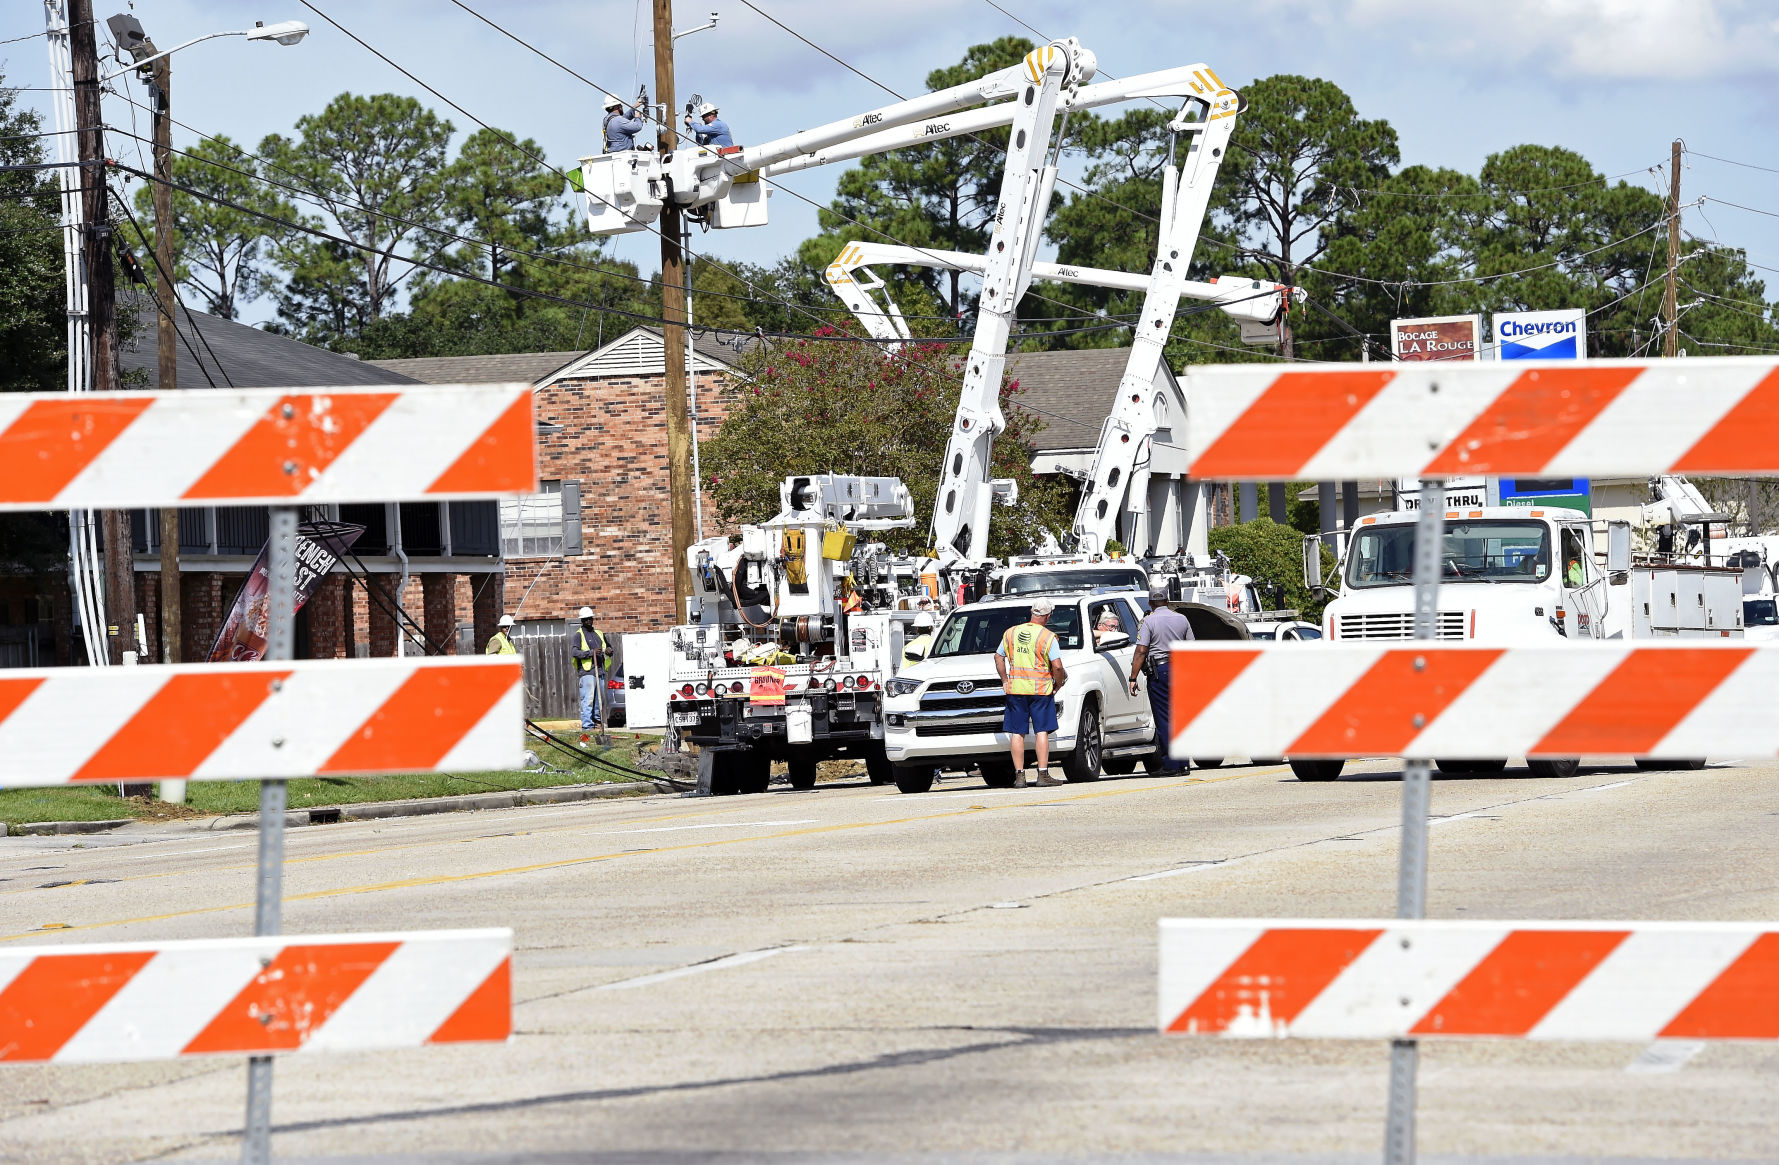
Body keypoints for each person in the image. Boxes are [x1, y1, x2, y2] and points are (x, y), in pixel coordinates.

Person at [994, 599, 1067, 787]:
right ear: (1048, 616)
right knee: (1041, 731)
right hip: (1040, 691)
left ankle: (1019, 776)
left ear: (1031, 612)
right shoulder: (1048, 637)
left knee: (1017, 733)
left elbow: (998, 656)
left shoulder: (1011, 632)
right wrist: (1057, 684)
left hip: (1016, 689)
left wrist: (1004, 680)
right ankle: (1042, 775)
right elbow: (1057, 666)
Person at [1130, 585, 1194, 773]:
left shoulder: (1148, 622)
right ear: (1167, 601)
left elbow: (1141, 650)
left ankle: (1171, 765)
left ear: (1150, 602)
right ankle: (1183, 764)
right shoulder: (1182, 619)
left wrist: (1133, 677)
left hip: (1161, 671)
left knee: (1165, 719)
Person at [571, 606, 609, 732]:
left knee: (600, 700)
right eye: (586, 619)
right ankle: (587, 726)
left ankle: (597, 722)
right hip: (588, 671)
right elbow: (574, 652)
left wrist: (609, 650)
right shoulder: (579, 635)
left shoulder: (599, 633)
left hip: (600, 670)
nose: (588, 621)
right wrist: (591, 652)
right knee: (588, 699)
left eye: (590, 619)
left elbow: (608, 647)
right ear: (582, 621)